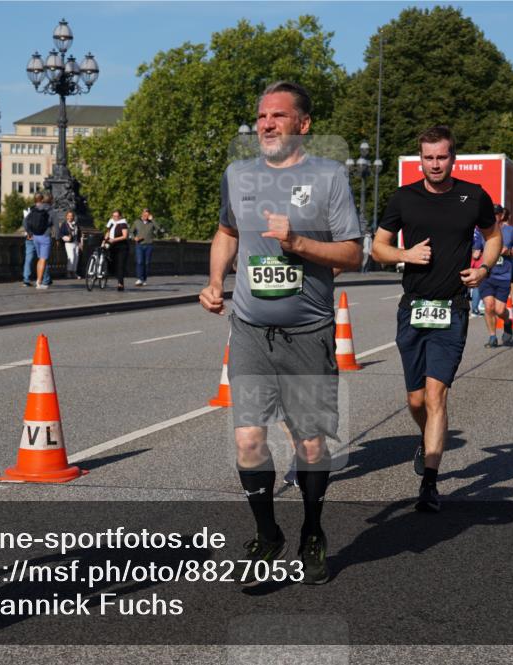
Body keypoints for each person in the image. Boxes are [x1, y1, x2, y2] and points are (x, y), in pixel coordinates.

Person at [198, 81, 361, 585]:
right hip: (249, 329)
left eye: (279, 116)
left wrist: (299, 243)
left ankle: (312, 530)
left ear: (303, 125)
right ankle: (268, 535)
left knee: (309, 446)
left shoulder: (330, 177)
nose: (266, 124)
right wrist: (213, 281)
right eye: (262, 116)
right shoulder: (237, 174)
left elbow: (353, 254)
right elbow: (226, 232)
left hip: (308, 331)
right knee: (248, 440)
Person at [371, 125, 499, 514]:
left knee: (435, 394)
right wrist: (404, 255)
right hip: (413, 307)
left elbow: (493, 236)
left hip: (453, 307)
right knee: (414, 399)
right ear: (420, 159)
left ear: (453, 157)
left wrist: (484, 268)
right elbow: (378, 248)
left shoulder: (473, 196)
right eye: (428, 157)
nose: (435, 164)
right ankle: (425, 436)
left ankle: (429, 482)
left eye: (442, 157)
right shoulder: (404, 198)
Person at [475, 208, 513, 347]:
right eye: (491, 213)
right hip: (486, 274)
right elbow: (476, 249)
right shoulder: (482, 231)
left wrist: (509, 252)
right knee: (489, 306)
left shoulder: (510, 231)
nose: (493, 216)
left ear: (501, 216)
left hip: (503, 275)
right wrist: (475, 253)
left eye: (496, 214)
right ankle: (492, 337)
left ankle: (507, 322)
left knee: (500, 310)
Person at [23, 192, 54, 289]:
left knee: (30, 258)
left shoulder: (31, 208)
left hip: (31, 236)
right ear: (42, 200)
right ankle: (44, 280)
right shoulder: (47, 209)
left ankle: (26, 279)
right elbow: (51, 222)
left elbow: (25, 222)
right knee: (43, 259)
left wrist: (29, 233)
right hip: (41, 236)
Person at [131, 208, 165, 287]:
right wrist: (134, 238)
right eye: (144, 214)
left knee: (147, 263)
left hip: (149, 245)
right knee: (139, 262)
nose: (146, 215)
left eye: (147, 214)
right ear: (141, 214)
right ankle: (139, 278)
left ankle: (144, 279)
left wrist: (153, 220)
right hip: (139, 245)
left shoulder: (151, 223)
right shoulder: (137, 222)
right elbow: (131, 231)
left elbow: (159, 229)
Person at [105, 210, 130, 291]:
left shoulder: (123, 223)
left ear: (120, 216)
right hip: (113, 246)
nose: (115, 218)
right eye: (113, 216)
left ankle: (120, 284)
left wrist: (114, 239)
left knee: (120, 265)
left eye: (116, 216)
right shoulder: (111, 223)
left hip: (122, 247)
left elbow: (125, 236)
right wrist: (105, 240)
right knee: (111, 262)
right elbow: (108, 232)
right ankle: (112, 274)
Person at [60, 210, 80, 279]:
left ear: (73, 217)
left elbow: (79, 233)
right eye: (68, 216)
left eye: (71, 216)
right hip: (69, 243)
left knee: (76, 257)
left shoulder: (76, 224)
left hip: (76, 243)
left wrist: (80, 242)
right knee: (71, 257)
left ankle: (74, 272)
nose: (70, 217)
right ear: (66, 217)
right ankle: (68, 272)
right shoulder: (64, 224)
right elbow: (61, 234)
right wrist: (67, 238)